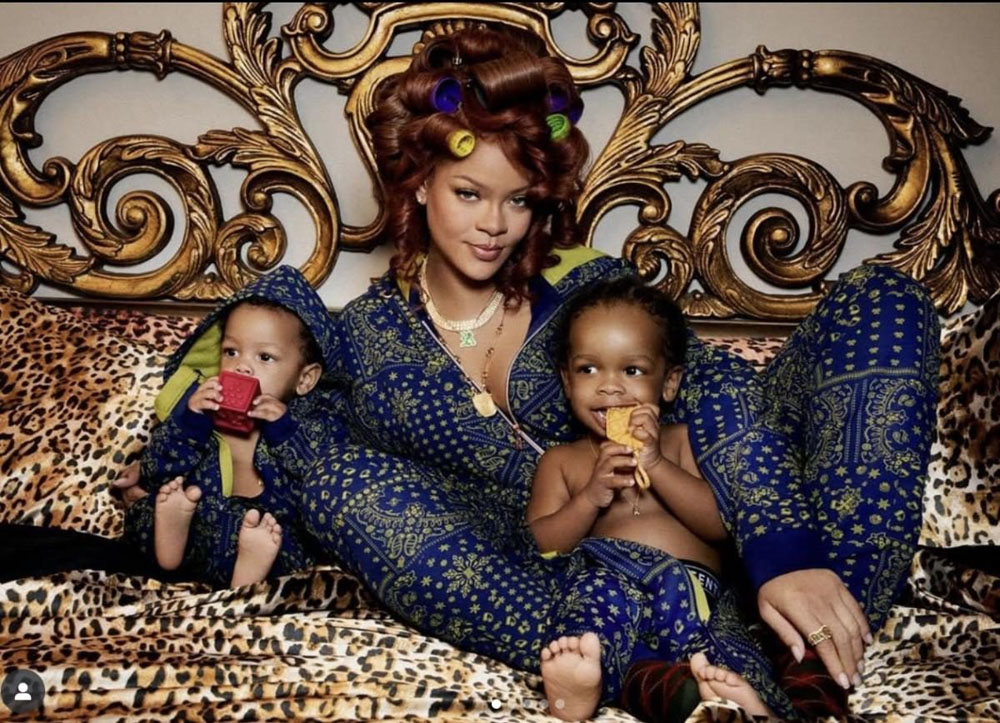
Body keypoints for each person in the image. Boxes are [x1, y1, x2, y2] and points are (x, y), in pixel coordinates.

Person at [111, 24, 940, 721]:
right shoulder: (361, 339)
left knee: (885, 298)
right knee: (333, 468)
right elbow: (277, 427)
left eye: (519, 200)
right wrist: (177, 476)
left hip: (740, 519)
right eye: (470, 193)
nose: (496, 226)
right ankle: (662, 673)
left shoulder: (588, 287)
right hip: (547, 577)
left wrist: (784, 550)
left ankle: (814, 646)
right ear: (418, 185)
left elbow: (717, 391)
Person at [121, 266, 344, 588]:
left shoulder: (313, 421)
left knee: (299, 544)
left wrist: (285, 430)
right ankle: (172, 545)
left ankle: (249, 575)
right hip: (200, 531)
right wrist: (190, 422)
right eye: (231, 351)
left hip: (267, 534)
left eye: (265, 357)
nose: (242, 366)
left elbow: (325, 477)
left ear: (305, 379)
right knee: (145, 510)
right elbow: (158, 469)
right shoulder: (199, 410)